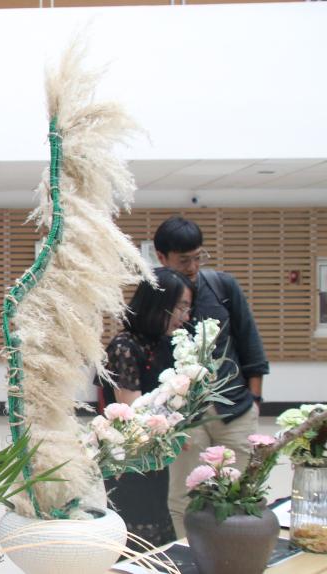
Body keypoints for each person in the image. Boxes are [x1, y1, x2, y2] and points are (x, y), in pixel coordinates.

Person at [155, 216, 270, 537]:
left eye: (198, 257)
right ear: (161, 257)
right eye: (184, 260)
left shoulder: (222, 286)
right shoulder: (156, 296)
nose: (193, 267)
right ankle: (191, 554)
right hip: (185, 416)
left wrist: (255, 400)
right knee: (187, 496)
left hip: (234, 409)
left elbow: (250, 342)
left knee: (241, 492)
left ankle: (237, 554)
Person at [95, 267, 193, 550]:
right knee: (136, 539)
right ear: (159, 304)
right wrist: (171, 427)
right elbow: (134, 414)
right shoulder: (124, 346)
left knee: (160, 531)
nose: (185, 316)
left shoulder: (163, 342)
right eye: (180, 307)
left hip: (155, 459)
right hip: (129, 461)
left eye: (188, 308)